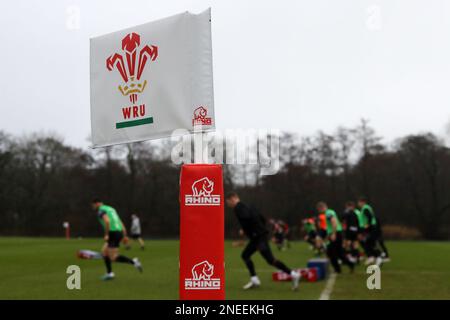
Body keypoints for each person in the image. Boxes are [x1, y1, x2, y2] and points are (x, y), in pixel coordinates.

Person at [225, 192, 300, 290]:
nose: (228, 204)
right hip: (258, 237)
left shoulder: (238, 208)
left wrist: (245, 230)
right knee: (245, 255)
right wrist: (259, 230)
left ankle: (293, 274)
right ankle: (254, 279)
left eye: (228, 202)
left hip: (258, 238)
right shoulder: (250, 206)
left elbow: (247, 218)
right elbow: (262, 218)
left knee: (270, 260)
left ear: (233, 198)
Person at [91, 199, 143, 280]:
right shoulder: (111, 209)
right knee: (104, 252)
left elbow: (107, 221)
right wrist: (124, 234)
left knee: (113, 257)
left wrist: (107, 234)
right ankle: (109, 273)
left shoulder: (101, 210)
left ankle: (134, 262)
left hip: (112, 233)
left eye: (93, 205)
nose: (93, 207)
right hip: (118, 232)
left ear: (97, 203)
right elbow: (119, 221)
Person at [316, 201, 354, 273]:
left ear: (321, 208)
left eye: (319, 210)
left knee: (331, 253)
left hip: (336, 233)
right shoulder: (330, 212)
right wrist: (328, 235)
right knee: (337, 253)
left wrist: (333, 234)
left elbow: (334, 222)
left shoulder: (328, 213)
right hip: (336, 233)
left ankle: (339, 269)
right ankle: (349, 265)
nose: (319, 212)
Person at [357, 196, 383, 266]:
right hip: (370, 228)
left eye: (359, 202)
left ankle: (377, 257)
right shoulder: (366, 208)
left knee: (368, 243)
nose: (358, 204)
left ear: (362, 202)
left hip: (370, 229)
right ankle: (373, 257)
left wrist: (367, 225)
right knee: (367, 243)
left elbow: (370, 217)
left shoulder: (365, 208)